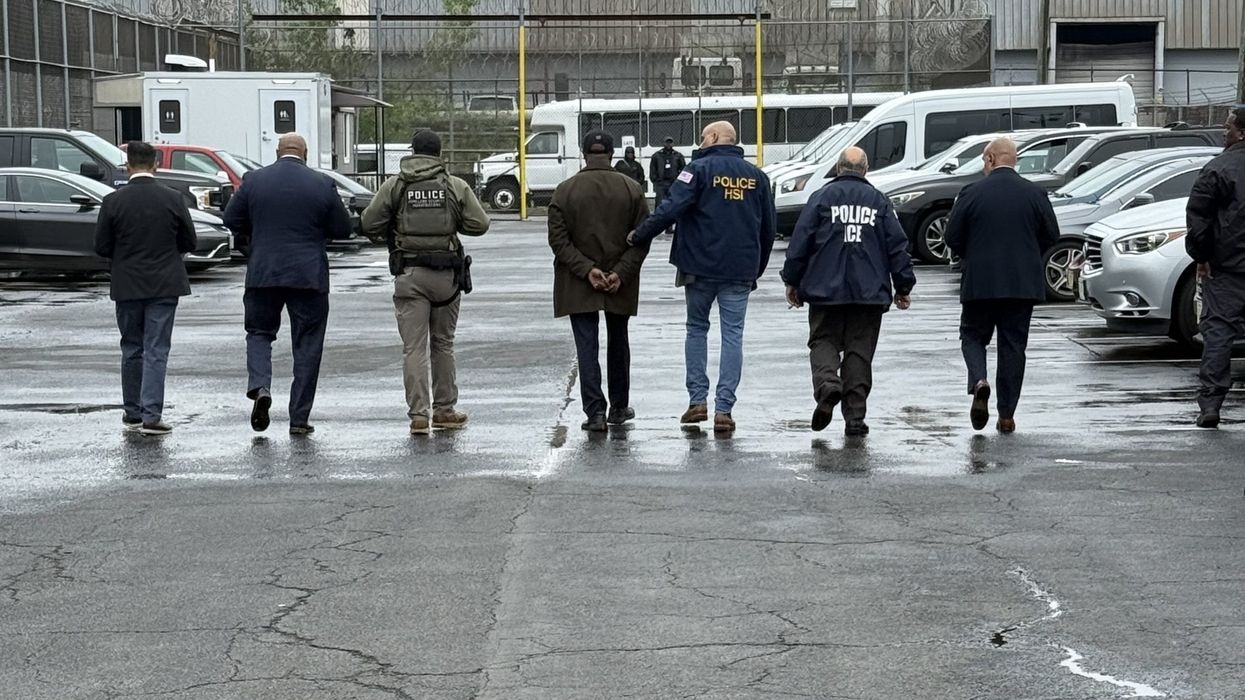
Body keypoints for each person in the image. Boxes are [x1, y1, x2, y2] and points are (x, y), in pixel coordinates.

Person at [629, 121, 776, 433]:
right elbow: (768, 228)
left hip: (698, 267)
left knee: (697, 329)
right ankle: (725, 409)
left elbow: (669, 208)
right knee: (732, 335)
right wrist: (756, 268)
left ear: (712, 138)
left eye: (702, 138)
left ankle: (697, 401)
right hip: (740, 268)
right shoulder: (758, 177)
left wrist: (638, 235)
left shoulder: (696, 170)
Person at [360, 129, 490, 435]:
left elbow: (369, 222)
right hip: (447, 277)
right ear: (439, 153)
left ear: (412, 151)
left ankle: (419, 415)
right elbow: (480, 223)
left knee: (414, 348)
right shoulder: (454, 185)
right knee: (443, 344)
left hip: (409, 274)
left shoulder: (396, 184)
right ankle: (444, 410)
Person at [223, 133, 352, 436]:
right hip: (308, 276)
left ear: (277, 151)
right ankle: (299, 418)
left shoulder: (254, 180)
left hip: (263, 272)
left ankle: (260, 385)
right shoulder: (321, 183)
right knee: (307, 344)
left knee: (258, 333)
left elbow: (230, 218)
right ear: (305, 153)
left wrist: (253, 237)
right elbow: (343, 228)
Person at [781, 147, 916, 436]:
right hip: (868, 293)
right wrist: (903, 285)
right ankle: (855, 418)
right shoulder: (879, 201)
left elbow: (800, 243)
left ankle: (828, 383)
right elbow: (897, 246)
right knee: (859, 352)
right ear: (865, 170)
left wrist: (792, 280)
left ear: (838, 169)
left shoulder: (821, 198)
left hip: (824, 289)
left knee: (823, 342)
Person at [945, 137, 1059, 434]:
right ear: (1014, 160)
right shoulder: (1035, 193)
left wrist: (971, 252)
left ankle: (979, 380)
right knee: (1013, 347)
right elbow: (1052, 234)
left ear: (992, 159)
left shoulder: (971, 192)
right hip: (1022, 285)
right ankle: (1006, 415)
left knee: (972, 336)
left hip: (980, 282)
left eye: (984, 160)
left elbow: (951, 236)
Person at [549, 130, 650, 432]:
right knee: (618, 342)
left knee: (586, 345)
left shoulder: (564, 190)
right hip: (621, 281)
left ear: (583, 154)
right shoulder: (631, 188)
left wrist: (586, 269)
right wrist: (621, 272)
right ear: (612, 153)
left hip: (578, 281)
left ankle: (595, 413)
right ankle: (619, 407)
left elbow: (558, 239)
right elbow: (642, 237)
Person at [93, 141, 197, 436]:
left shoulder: (113, 201)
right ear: (155, 165)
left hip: (127, 284)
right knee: (156, 349)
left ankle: (132, 412)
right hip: (165, 283)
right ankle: (152, 415)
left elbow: (101, 246)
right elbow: (189, 241)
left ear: (128, 166)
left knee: (131, 348)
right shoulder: (173, 198)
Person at [1186, 107, 1245, 429]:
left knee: (1219, 332)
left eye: (1228, 128)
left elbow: (1198, 218)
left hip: (1227, 268)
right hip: (1228, 264)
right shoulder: (1219, 167)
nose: (1224, 133)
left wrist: (1202, 256)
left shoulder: (1217, 168)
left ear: (1241, 133)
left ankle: (1211, 403)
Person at [649, 136, 686, 231]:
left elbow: (683, 169)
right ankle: (656, 226)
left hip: (673, 184)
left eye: (670, 142)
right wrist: (655, 180)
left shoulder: (678, 155)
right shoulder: (657, 155)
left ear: (673, 144)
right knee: (659, 205)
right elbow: (652, 170)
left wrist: (679, 181)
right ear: (663, 143)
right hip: (661, 184)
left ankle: (669, 227)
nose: (668, 144)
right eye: (667, 142)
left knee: (672, 205)